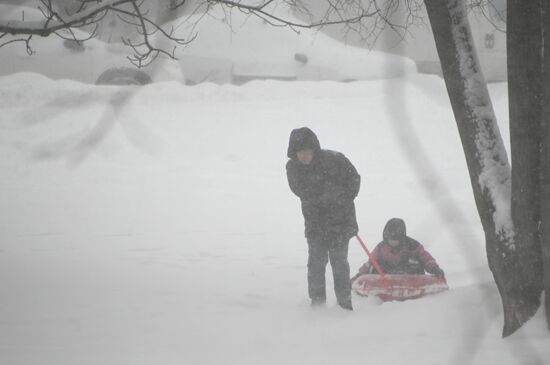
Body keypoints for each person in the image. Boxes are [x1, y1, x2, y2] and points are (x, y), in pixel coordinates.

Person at [286, 127, 361, 310]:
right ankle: (317, 303)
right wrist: (325, 193)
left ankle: (344, 303)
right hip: (316, 224)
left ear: (314, 149)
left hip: (340, 224)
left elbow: (354, 181)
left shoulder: (335, 159)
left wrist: (340, 198)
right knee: (316, 264)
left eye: (306, 151)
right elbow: (301, 190)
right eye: (299, 153)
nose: (303, 156)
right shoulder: (293, 168)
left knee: (339, 264)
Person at [353, 218, 445, 279]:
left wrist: (434, 268)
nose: (392, 242)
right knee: (375, 265)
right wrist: (360, 275)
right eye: (390, 240)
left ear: (402, 237)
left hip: (409, 276)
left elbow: (427, 259)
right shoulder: (381, 247)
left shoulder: (413, 245)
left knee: (414, 261)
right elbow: (370, 263)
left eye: (396, 240)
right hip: (386, 276)